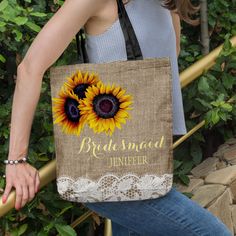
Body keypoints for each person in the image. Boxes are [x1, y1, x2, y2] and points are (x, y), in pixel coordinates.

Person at [1, 0, 232, 235]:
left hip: (146, 154)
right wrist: (16, 160)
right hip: (109, 166)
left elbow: (167, 57)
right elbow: (30, 68)